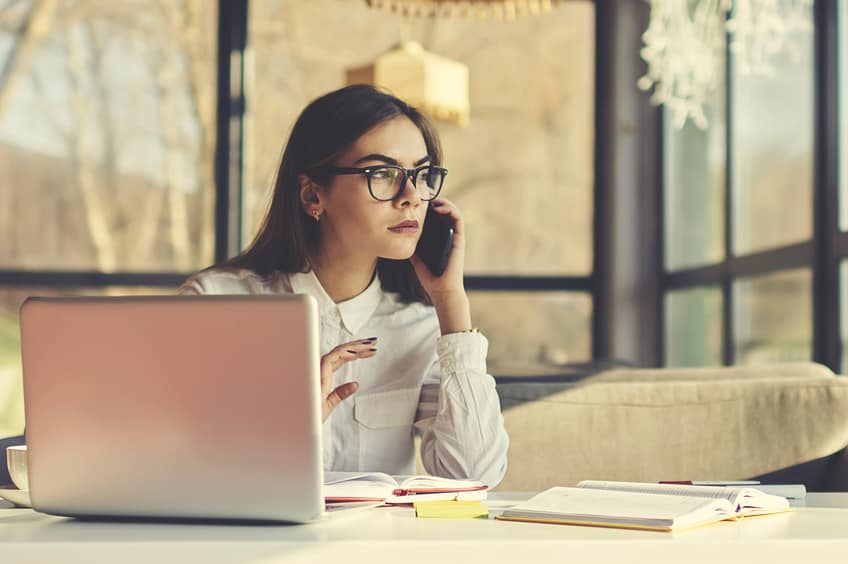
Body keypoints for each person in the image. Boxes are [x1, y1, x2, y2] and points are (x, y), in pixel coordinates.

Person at [180, 84, 508, 487]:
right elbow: (174, 463)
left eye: (422, 175)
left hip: (374, 532)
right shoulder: (215, 303)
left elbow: (474, 476)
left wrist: (450, 300)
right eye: (382, 173)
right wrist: (285, 431)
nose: (411, 197)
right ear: (312, 195)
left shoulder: (421, 329)